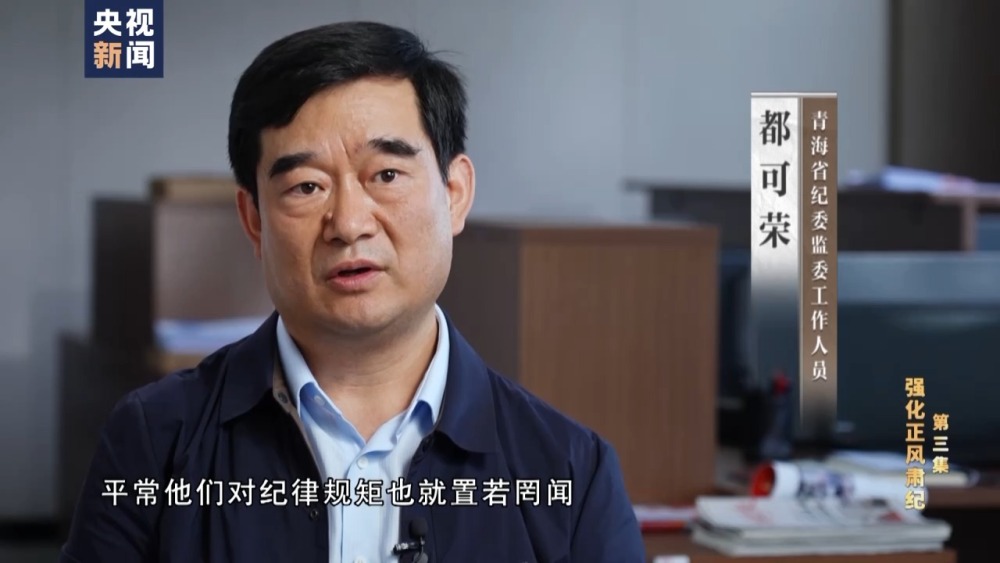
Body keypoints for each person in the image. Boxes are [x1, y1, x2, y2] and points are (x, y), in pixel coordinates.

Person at [61, 21, 644, 563]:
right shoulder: (154, 441)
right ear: (254, 219)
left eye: (386, 175)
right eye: (306, 186)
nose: (348, 223)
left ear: (455, 193)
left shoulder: (571, 472)